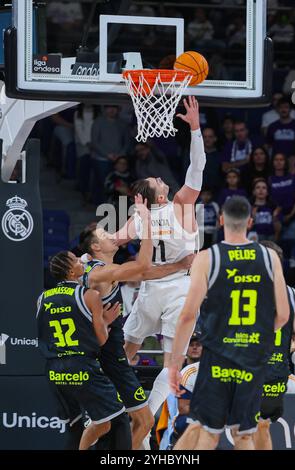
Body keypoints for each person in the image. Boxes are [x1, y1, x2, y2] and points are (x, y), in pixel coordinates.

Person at [113, 96, 206, 427]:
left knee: (126, 350)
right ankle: (147, 416)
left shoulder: (141, 218)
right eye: (157, 182)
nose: (161, 179)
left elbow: (113, 241)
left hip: (149, 290)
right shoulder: (181, 204)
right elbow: (197, 169)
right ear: (160, 196)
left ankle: (111, 405)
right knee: (172, 362)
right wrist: (195, 129)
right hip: (179, 289)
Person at [169, 196, 289, 450]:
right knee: (244, 434)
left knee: (208, 433)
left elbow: (188, 315)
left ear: (221, 220)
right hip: (251, 357)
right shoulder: (269, 258)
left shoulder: (207, 257)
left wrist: (174, 361)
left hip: (217, 357)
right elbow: (282, 315)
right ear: (251, 221)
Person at [80, 197, 194, 449]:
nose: (112, 236)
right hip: (108, 354)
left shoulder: (103, 269)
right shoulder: (102, 272)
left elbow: (147, 272)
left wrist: (178, 266)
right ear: (97, 246)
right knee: (140, 421)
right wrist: (146, 225)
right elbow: (144, 267)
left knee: (116, 423)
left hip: (108, 353)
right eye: (105, 234)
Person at [36, 251, 125, 450]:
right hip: (81, 366)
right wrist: (106, 321)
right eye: (76, 260)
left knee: (75, 429)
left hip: (53, 369)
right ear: (70, 271)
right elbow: (101, 340)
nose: (81, 261)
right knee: (113, 420)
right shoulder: (90, 295)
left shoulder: (42, 298)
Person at [253, 240, 295, 451]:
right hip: (276, 374)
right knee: (262, 426)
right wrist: (290, 346)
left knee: (239, 431)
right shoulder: (293, 295)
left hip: (247, 371)